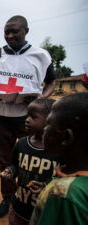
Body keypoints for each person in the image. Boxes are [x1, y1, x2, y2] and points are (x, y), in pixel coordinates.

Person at [0, 15, 56, 218]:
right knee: (6, 163)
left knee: (29, 161)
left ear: (26, 31)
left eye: (15, 31)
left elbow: (51, 82)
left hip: (30, 119)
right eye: (6, 31)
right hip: (3, 116)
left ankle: (30, 200)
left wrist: (41, 98)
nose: (10, 35)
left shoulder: (41, 55)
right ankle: (7, 200)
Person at [0, 98, 61, 225]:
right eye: (27, 115)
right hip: (19, 206)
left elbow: (61, 180)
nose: (27, 119)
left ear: (50, 120)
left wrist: (45, 186)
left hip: (43, 210)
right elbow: (15, 165)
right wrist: (10, 171)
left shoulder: (59, 151)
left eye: (33, 116)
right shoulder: (21, 144)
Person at [29, 93, 88, 225]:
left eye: (48, 124)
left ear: (66, 137)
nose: (44, 129)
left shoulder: (65, 194)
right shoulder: (69, 175)